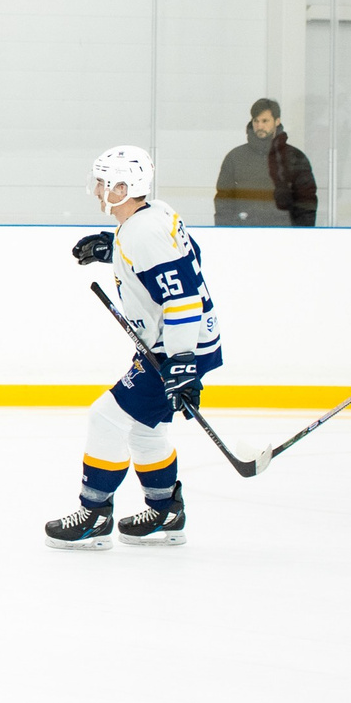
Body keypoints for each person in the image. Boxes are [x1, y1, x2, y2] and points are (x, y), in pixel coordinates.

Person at [47, 146, 224, 550]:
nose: (97, 191)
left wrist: (181, 362)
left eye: (103, 183)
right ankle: (165, 511)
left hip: (176, 349)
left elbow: (182, 299)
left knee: (105, 418)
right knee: (146, 429)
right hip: (181, 343)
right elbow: (182, 261)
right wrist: (113, 250)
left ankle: (94, 514)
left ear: (123, 187)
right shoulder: (156, 214)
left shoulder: (144, 233)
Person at [213, 98, 317, 227]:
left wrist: (302, 234)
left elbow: (306, 202)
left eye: (265, 121)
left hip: (283, 234)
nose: (259, 126)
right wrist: (226, 232)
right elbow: (223, 200)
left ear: (277, 121)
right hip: (244, 233)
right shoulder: (235, 157)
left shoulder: (295, 157)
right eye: (256, 121)